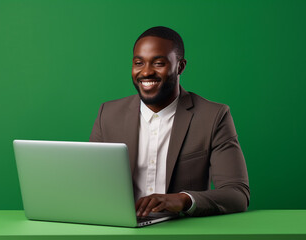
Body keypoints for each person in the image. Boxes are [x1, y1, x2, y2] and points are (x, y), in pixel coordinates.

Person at [90, 26, 249, 217]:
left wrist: (182, 199)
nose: (146, 72)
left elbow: (237, 194)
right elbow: (89, 183)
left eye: (158, 63)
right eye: (139, 63)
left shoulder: (213, 116)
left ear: (180, 66)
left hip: (181, 230)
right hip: (123, 230)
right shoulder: (108, 114)